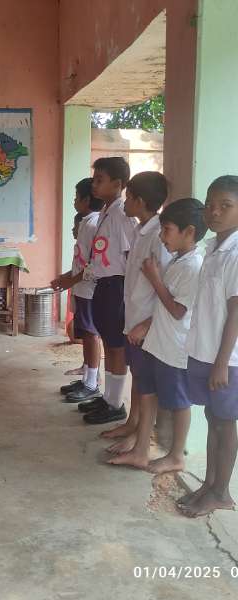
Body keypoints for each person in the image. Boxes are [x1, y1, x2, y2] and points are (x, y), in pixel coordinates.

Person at [179, 176, 238, 517]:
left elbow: (235, 311)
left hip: (226, 359)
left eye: (225, 206)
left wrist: (220, 362)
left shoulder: (235, 254)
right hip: (205, 351)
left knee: (225, 422)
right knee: (212, 416)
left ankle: (222, 492)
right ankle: (210, 484)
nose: (214, 212)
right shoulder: (214, 248)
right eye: (210, 205)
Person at [104, 172, 172, 464]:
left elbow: (167, 285)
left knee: (147, 385)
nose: (125, 203)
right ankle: (133, 425)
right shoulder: (141, 229)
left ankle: (141, 444)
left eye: (129, 198)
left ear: (140, 201)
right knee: (138, 376)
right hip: (134, 317)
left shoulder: (158, 236)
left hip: (147, 322)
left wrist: (147, 323)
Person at [135, 198, 206, 474]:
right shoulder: (180, 260)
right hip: (161, 344)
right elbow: (165, 307)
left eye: (167, 230)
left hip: (176, 348)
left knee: (179, 402)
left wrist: (154, 279)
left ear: (189, 232)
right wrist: (146, 325)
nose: (162, 237)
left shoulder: (193, 266)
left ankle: (177, 455)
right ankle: (148, 447)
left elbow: (177, 311)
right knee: (161, 394)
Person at [74, 157, 136, 425]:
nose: (95, 185)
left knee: (116, 347)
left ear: (118, 184)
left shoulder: (122, 215)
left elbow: (131, 255)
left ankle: (116, 403)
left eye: (100, 180)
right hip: (104, 283)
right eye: (95, 179)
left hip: (117, 285)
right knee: (109, 345)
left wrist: (127, 292)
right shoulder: (106, 213)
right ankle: (108, 397)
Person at [52, 178, 104, 401]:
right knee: (86, 334)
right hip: (82, 287)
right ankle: (86, 378)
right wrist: (67, 277)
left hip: (90, 289)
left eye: (76, 197)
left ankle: (92, 383)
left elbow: (95, 264)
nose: (74, 201)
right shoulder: (86, 223)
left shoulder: (93, 224)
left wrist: (70, 281)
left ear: (86, 200)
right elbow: (81, 261)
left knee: (91, 335)